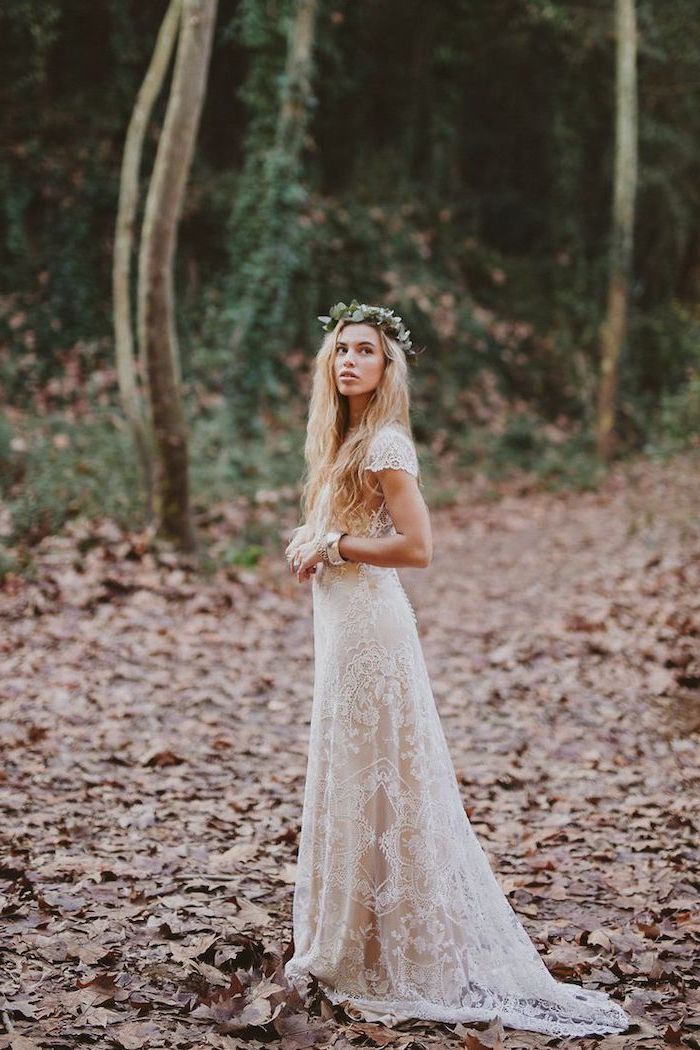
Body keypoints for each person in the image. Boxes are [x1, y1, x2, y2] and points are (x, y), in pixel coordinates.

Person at [282, 300, 630, 1037]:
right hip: (341, 629)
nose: (349, 360)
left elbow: (417, 547)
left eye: (365, 351)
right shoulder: (342, 440)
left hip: (374, 632)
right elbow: (347, 528)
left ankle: (387, 951)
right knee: (354, 777)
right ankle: (354, 938)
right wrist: (313, 540)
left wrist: (337, 545)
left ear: (386, 366)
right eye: (340, 349)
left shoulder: (385, 444)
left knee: (382, 779)